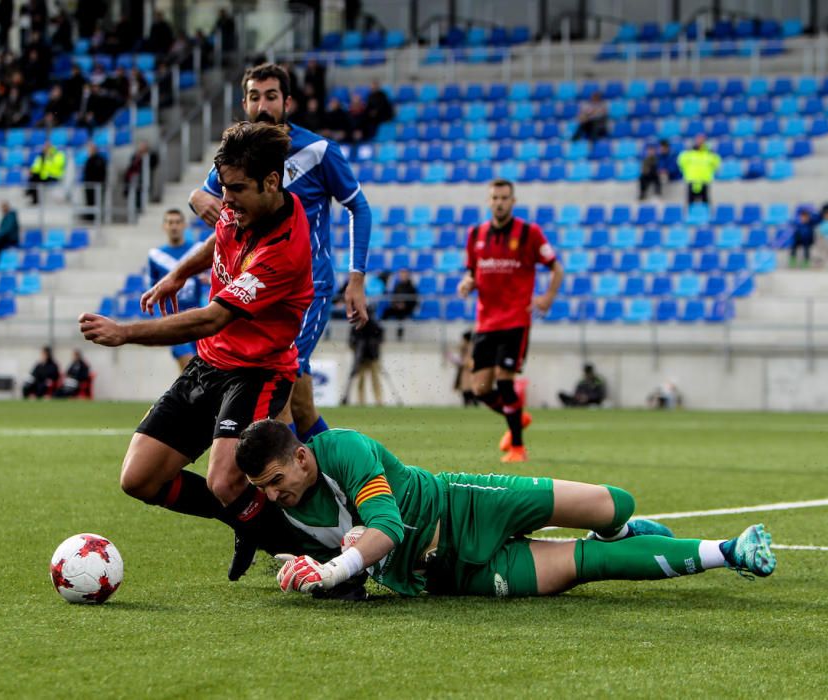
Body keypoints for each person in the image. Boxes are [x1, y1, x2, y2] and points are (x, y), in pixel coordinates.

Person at [80, 121, 315, 583]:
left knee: (224, 480)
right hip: (210, 363)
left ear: (272, 182)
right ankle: (246, 515)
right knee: (139, 479)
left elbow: (213, 317)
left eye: (237, 190)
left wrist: (126, 332)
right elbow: (218, 238)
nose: (225, 201)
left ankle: (309, 554)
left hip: (258, 371)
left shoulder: (283, 249)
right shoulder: (242, 207)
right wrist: (180, 273)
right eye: (224, 189)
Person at [235, 420, 777, 599]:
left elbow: (387, 528)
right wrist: (306, 573)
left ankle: (621, 528)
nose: (276, 495)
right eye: (266, 489)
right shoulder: (285, 507)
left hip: (466, 505)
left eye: (279, 481)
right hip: (448, 576)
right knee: (589, 567)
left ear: (302, 457)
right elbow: (344, 558)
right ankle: (731, 551)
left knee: (614, 503)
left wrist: (332, 570)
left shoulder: (343, 450)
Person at [186, 62, 371, 451]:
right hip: (257, 288)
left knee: (277, 392)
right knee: (301, 406)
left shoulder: (319, 152)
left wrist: (356, 279)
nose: (263, 105)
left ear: (287, 101)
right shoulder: (240, 156)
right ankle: (342, 480)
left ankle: (288, 488)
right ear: (245, 102)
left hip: (308, 288)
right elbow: (204, 193)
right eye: (255, 97)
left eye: (271, 96)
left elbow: (359, 208)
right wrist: (198, 198)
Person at [457, 179, 564, 463]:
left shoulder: (529, 233)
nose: (499, 202)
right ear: (489, 201)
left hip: (516, 320)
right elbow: (472, 271)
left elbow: (556, 268)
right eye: (495, 197)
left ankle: (517, 446)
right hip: (485, 322)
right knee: (479, 388)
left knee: (505, 382)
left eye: (504, 197)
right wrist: (467, 282)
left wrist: (547, 298)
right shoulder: (476, 234)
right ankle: (515, 415)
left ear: (513, 201)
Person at [147, 209, 203, 371]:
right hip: (173, 322)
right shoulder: (156, 256)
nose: (174, 226)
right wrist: (160, 322)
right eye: (170, 222)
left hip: (198, 319)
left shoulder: (198, 250)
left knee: (196, 373)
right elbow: (152, 292)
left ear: (184, 225)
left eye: (177, 222)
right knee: (189, 365)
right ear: (164, 226)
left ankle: (184, 396)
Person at [341, 306, 384, 406]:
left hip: (372, 357)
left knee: (375, 379)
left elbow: (380, 339)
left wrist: (372, 346)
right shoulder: (357, 327)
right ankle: (361, 401)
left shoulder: (374, 326)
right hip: (361, 358)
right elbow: (351, 342)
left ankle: (378, 400)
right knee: (361, 380)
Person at [677, 135, 720, 205]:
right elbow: (680, 162)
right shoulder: (689, 153)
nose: (700, 142)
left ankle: (707, 215)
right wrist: (685, 172)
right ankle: (689, 216)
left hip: (704, 180)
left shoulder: (709, 153)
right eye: (698, 140)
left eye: (702, 140)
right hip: (691, 180)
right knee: (690, 204)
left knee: (705, 204)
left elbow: (717, 163)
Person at [381, 268, 418, 338]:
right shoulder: (397, 286)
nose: (402, 276)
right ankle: (381, 333)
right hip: (397, 307)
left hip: (407, 309)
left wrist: (405, 305)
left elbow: (414, 300)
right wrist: (396, 304)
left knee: (401, 315)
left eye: (404, 274)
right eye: (401, 274)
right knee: (385, 312)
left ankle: (399, 336)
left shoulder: (412, 287)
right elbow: (393, 298)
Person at [449, 330, 478, 406]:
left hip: (469, 372)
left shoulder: (471, 347)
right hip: (466, 371)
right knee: (466, 390)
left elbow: (469, 361)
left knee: (469, 390)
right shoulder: (465, 347)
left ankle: (472, 404)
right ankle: (469, 403)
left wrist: (461, 362)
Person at [81, 143, 107, 221]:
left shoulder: (100, 160)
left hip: (97, 186)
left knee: (96, 202)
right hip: (89, 185)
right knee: (89, 202)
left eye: (90, 149)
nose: (89, 151)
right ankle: (90, 217)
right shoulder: (89, 159)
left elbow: (100, 173)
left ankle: (96, 218)